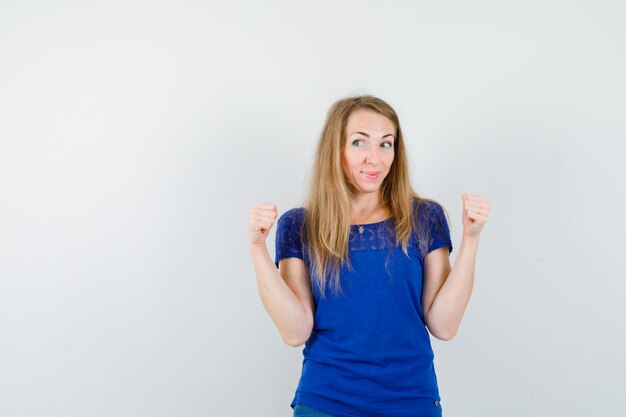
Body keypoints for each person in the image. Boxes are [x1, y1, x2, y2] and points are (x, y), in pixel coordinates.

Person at [247, 95, 491, 417]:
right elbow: (295, 331)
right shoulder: (300, 225)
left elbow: (444, 325)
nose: (374, 159)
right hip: (326, 404)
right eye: (359, 143)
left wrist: (471, 240)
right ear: (336, 149)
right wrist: (257, 249)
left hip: (411, 403)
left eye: (385, 144)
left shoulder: (424, 218)